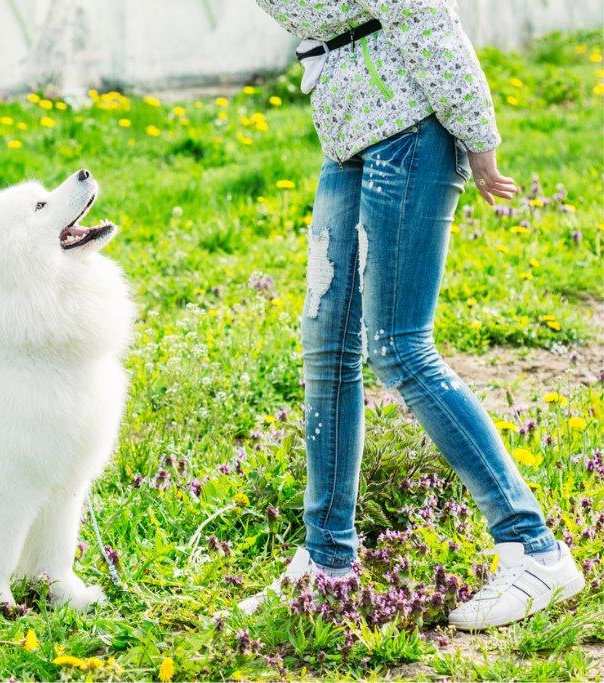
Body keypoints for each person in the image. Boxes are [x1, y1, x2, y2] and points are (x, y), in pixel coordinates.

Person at [237, 1, 584, 630]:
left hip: (411, 128)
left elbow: (423, 16)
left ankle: (536, 551)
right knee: (327, 347)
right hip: (348, 133)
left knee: (397, 345)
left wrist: (479, 136)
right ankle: (328, 563)